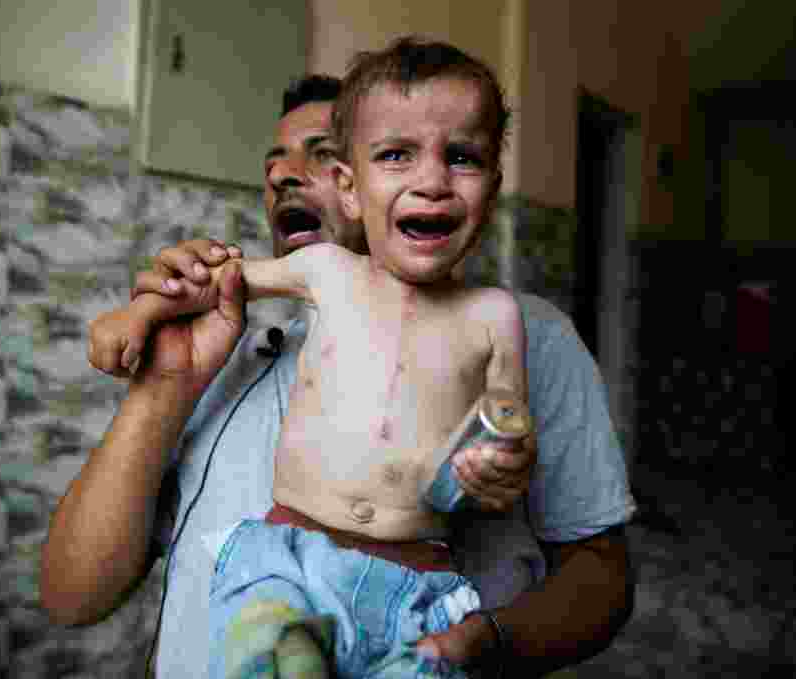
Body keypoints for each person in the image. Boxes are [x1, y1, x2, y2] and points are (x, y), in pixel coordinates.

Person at [43, 44, 635, 679]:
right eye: (276, 163)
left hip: (417, 605)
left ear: (489, 187)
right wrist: (161, 377)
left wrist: (491, 636)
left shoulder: (521, 330)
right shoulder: (226, 353)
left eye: (320, 153)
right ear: (357, 190)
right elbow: (71, 596)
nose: (287, 177)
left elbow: (599, 573)